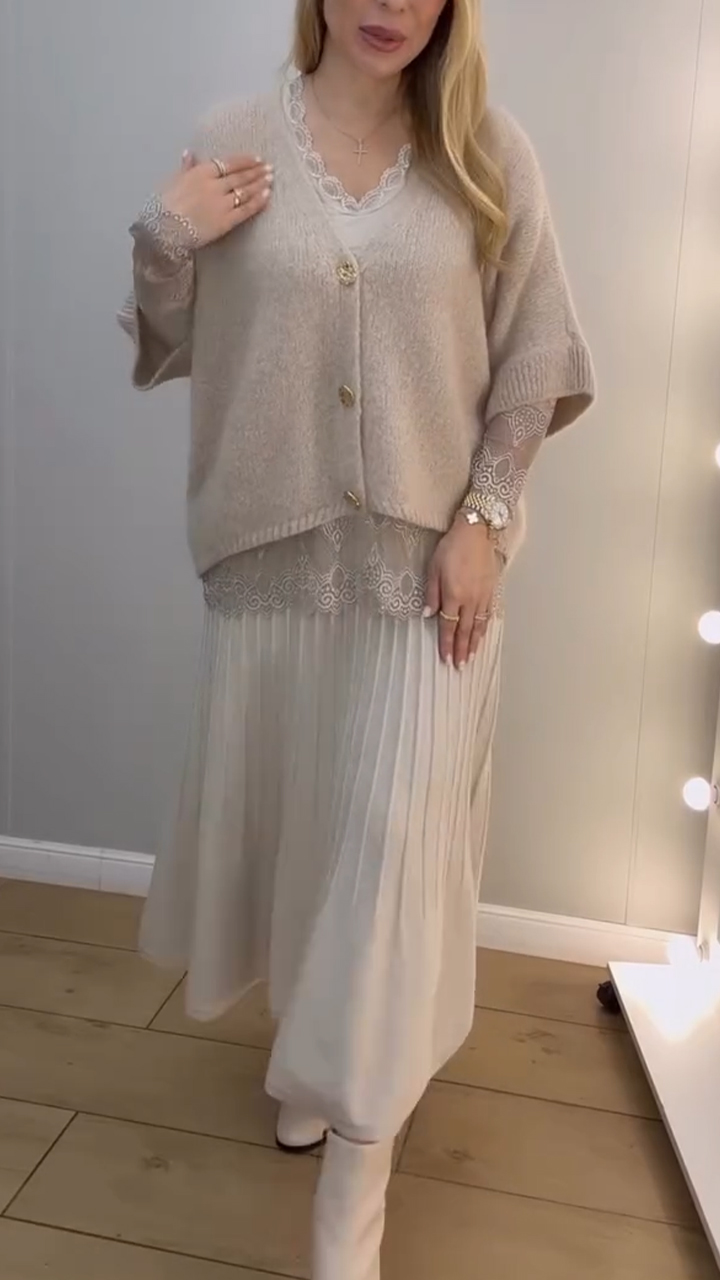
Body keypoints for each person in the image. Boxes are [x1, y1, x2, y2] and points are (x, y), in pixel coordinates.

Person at [119, 1, 595, 1275]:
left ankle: (353, 1194)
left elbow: (536, 350)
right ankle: (312, 1059)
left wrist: (483, 519)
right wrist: (166, 236)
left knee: (389, 859)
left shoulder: (484, 150)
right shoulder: (236, 137)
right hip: (272, 566)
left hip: (433, 577)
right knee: (309, 834)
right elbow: (171, 341)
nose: (391, 5)